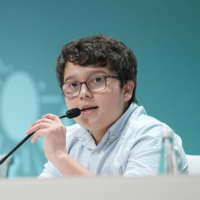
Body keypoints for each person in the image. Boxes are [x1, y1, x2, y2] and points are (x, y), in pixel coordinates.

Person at [25, 35, 188, 178]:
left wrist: (61, 157)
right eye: (73, 84)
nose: (83, 93)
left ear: (127, 89)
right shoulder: (67, 140)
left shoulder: (153, 137)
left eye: (97, 80)